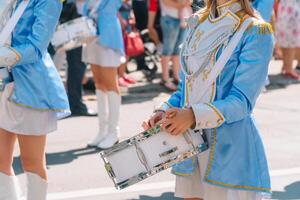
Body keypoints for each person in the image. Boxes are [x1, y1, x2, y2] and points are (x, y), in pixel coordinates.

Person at [143, 0, 274, 199]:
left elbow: (242, 102)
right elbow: (185, 88)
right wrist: (164, 110)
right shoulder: (198, 22)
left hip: (229, 150)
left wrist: (192, 116)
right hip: (190, 146)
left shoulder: (255, 30)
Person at [0, 0, 70, 199]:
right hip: (3, 83)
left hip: (31, 87)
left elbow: (37, 47)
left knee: (31, 162)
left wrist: (3, 56)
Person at [83, 0, 124, 149]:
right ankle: (102, 131)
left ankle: (113, 132)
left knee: (111, 84)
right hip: (91, 39)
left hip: (109, 39)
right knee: (99, 84)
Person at [60, 0, 97, 116]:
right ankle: (76, 105)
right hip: (75, 26)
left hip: (76, 25)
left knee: (76, 67)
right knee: (76, 67)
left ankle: (75, 104)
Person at [159, 0, 190, 91]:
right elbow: (167, 2)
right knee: (167, 51)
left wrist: (182, 4)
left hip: (182, 19)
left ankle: (176, 77)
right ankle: (165, 79)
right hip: (169, 19)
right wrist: (182, 4)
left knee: (177, 51)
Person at [275, 0, 300, 79]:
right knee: (291, 40)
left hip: (284, 8)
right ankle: (288, 68)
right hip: (292, 10)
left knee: (286, 39)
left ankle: (286, 66)